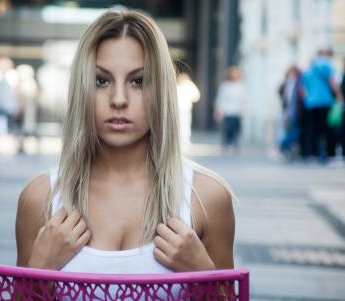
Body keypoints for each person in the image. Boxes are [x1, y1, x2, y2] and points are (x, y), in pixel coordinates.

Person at [16, 7, 234, 279]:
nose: (119, 99)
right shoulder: (41, 199)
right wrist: (40, 268)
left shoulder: (206, 198)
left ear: (161, 90)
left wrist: (203, 272)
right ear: (82, 87)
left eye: (139, 81)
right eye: (101, 80)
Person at [301, 49, 343, 162]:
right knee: (327, 129)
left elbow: (303, 88)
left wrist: (307, 99)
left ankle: (313, 153)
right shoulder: (326, 65)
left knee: (313, 129)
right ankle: (328, 154)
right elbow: (332, 81)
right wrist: (339, 96)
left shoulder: (309, 69)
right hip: (324, 101)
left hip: (310, 103)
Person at [214, 66, 247, 154]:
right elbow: (220, 99)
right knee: (228, 128)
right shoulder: (225, 86)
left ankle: (234, 143)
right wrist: (218, 111)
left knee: (236, 129)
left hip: (237, 111)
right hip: (227, 111)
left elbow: (244, 100)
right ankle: (228, 144)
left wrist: (244, 111)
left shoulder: (241, 86)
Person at [278, 65, 304, 160]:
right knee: (292, 130)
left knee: (293, 130)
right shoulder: (289, 84)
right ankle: (283, 146)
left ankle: (286, 147)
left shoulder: (295, 83)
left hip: (292, 111)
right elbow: (287, 98)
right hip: (291, 111)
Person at [177, 72, 200, 151]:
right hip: (179, 109)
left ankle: (185, 141)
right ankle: (182, 141)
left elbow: (196, 96)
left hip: (185, 109)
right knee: (182, 125)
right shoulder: (176, 86)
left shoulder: (189, 85)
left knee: (184, 126)